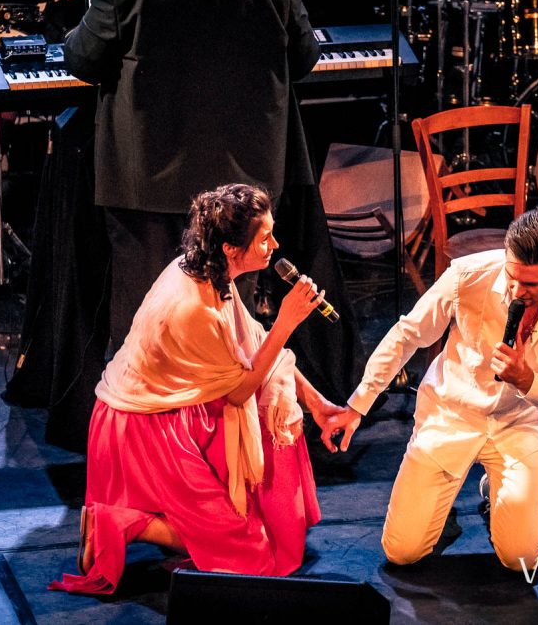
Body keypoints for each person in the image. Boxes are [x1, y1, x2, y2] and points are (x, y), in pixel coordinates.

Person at [49, 183, 343, 595]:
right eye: (264, 238)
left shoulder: (213, 273)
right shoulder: (194, 308)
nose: (275, 245)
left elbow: (256, 347)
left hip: (177, 410)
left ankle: (199, 527)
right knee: (252, 554)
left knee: (275, 407)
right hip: (142, 427)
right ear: (230, 248)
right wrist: (288, 322)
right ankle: (114, 523)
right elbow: (241, 390)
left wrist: (316, 403)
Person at [62, 0, 321, 349]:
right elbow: (304, 59)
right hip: (241, 188)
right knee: (234, 318)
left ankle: (149, 410)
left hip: (146, 182)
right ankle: (230, 409)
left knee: (144, 320)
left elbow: (81, 60)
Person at [323, 208, 538, 572]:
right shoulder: (467, 275)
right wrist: (358, 405)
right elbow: (407, 334)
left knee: (522, 559)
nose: (517, 292)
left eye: (531, 285)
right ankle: (438, 506)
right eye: (512, 277)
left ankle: (496, 490)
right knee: (401, 551)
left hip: (517, 424)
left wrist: (527, 381)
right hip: (451, 415)